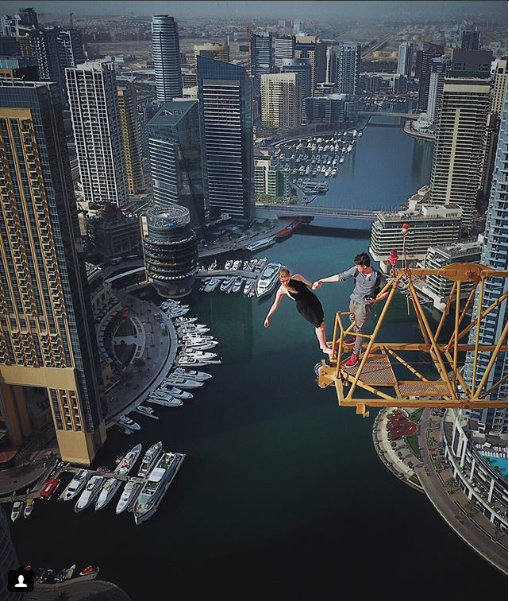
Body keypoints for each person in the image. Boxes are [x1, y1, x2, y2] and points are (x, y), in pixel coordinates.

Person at [313, 253, 389, 367]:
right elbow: (340, 277)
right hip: (353, 300)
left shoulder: (377, 277)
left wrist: (375, 300)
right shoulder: (356, 271)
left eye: (358, 266)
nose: (356, 267)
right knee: (352, 319)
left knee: (360, 330)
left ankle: (355, 355)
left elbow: (387, 291)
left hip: (364, 306)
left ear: (364, 266)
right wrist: (323, 280)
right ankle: (354, 337)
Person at [264, 267, 332, 356]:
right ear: (279, 279)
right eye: (282, 281)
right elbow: (275, 304)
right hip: (305, 307)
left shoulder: (298, 277)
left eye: (287, 280)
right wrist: (268, 317)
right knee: (320, 326)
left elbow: (311, 286)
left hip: (313, 301)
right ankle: (323, 347)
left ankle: (325, 344)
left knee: (322, 324)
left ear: (290, 276)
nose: (285, 282)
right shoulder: (282, 290)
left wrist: (317, 285)